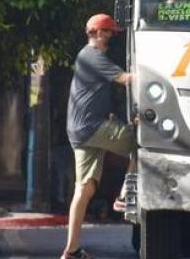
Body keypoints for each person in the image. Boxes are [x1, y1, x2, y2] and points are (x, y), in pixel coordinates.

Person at [61, 13, 135, 259]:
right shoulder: (93, 55)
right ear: (99, 32)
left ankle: (71, 250)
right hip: (91, 127)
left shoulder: (88, 56)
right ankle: (125, 194)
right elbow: (125, 79)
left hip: (80, 129)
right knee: (142, 144)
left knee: (84, 189)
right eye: (110, 32)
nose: (112, 37)